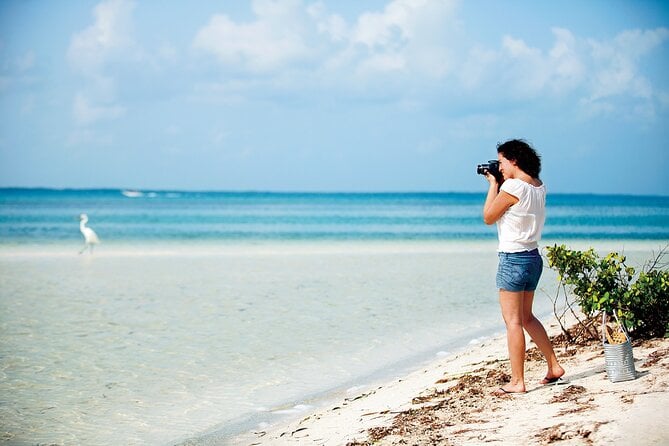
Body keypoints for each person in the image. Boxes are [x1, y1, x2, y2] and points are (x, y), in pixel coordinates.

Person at [482, 139, 564, 395]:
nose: (500, 167)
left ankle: (517, 381)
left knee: (514, 322)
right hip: (532, 258)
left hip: (513, 258)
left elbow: (488, 217)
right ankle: (554, 366)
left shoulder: (513, 187)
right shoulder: (538, 186)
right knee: (527, 317)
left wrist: (494, 184)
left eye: (502, 162)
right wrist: (501, 181)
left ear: (514, 160)